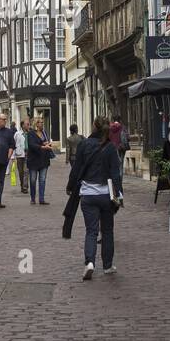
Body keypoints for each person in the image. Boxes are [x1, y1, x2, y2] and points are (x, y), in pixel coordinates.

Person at [65, 116, 123, 280]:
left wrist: (70, 186)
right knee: (107, 231)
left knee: (91, 231)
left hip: (88, 195)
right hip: (106, 195)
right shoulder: (111, 147)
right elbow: (115, 173)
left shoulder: (84, 144)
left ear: (93, 127)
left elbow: (76, 169)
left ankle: (89, 262)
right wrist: (119, 193)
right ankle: (108, 265)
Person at [26, 117, 54, 205]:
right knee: (33, 180)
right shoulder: (31, 133)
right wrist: (43, 146)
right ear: (36, 124)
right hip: (33, 160)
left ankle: (41, 199)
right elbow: (32, 145)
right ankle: (33, 198)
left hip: (44, 160)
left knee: (42, 180)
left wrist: (48, 144)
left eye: (42, 122)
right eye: (40, 122)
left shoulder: (44, 133)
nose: (42, 124)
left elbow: (46, 142)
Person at [13, 119, 30, 194]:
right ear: (23, 125)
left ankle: (25, 187)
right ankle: (22, 185)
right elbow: (13, 145)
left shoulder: (30, 133)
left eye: (29, 124)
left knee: (26, 171)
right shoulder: (17, 134)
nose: (28, 126)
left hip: (28, 154)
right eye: (27, 124)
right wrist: (13, 157)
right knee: (21, 172)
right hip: (19, 155)